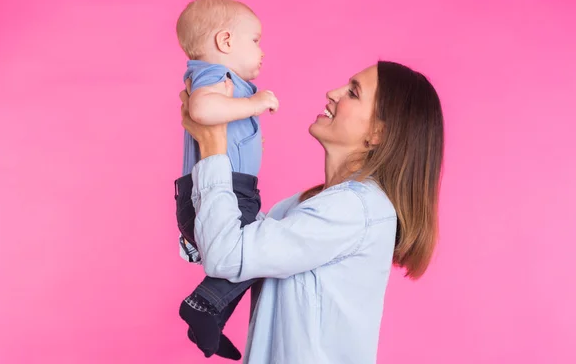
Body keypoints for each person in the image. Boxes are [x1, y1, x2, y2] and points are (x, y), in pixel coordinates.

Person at [179, 61, 445, 363]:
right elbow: (223, 244)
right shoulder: (304, 205)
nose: (332, 93)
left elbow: (225, 255)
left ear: (378, 133)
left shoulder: (354, 209)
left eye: (353, 93)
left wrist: (214, 146)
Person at [174, 0, 279, 359]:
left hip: (228, 190)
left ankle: (210, 317)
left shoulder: (224, 80)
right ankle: (203, 306)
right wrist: (255, 104)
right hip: (221, 191)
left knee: (254, 256)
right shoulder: (214, 74)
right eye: (256, 40)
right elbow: (203, 108)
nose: (262, 50)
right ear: (225, 42)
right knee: (256, 252)